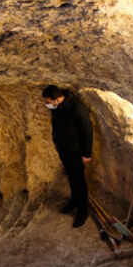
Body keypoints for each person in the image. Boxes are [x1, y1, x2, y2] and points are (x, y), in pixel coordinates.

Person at [41, 85, 93, 228]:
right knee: (70, 177)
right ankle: (74, 201)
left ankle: (82, 211)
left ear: (57, 99)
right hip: (64, 149)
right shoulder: (56, 108)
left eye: (48, 102)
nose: (47, 104)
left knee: (79, 180)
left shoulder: (78, 109)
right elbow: (55, 125)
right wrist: (55, 141)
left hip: (76, 151)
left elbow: (87, 132)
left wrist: (87, 154)